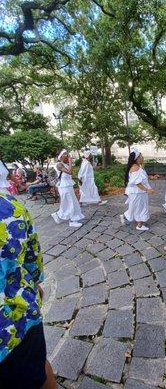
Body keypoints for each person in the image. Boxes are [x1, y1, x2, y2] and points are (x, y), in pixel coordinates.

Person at [0, 192, 56, 389]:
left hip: (9, 329)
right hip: (22, 316)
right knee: (39, 368)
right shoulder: (9, 204)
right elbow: (33, 260)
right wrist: (34, 286)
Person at [120, 149, 155, 231]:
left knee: (135, 207)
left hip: (137, 192)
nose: (143, 157)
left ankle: (125, 216)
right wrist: (147, 190)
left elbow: (142, 178)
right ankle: (139, 225)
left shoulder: (138, 167)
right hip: (138, 192)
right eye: (141, 156)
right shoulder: (136, 168)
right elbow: (137, 183)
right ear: (137, 158)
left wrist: (151, 177)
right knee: (140, 207)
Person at [51, 149, 84, 228]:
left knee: (67, 203)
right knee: (71, 203)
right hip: (64, 186)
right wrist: (70, 161)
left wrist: (77, 179)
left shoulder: (64, 164)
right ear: (61, 156)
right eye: (65, 154)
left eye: (67, 154)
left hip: (67, 186)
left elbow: (69, 175)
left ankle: (58, 215)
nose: (68, 155)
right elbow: (69, 172)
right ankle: (72, 221)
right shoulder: (59, 165)